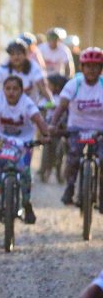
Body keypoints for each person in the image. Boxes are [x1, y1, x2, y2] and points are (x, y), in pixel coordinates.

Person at [0, 75, 50, 221]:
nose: (11, 92)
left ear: (22, 91)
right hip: (1, 141)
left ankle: (27, 204)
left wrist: (45, 134)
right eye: (8, 88)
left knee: (25, 173)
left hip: (24, 142)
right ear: (3, 90)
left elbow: (38, 119)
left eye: (15, 89)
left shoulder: (27, 103)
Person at [49, 47, 103, 205]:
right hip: (76, 129)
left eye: (96, 66)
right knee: (73, 157)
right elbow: (61, 107)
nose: (91, 70)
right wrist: (53, 124)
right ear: (82, 67)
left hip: (100, 130)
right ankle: (70, 187)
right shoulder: (74, 84)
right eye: (88, 66)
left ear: (101, 69)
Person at [0, 39, 53, 105]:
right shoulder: (4, 67)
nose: (16, 57)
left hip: (29, 109)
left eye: (19, 54)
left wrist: (50, 101)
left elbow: (42, 86)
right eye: (12, 54)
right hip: (5, 109)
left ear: (25, 55)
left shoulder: (34, 67)